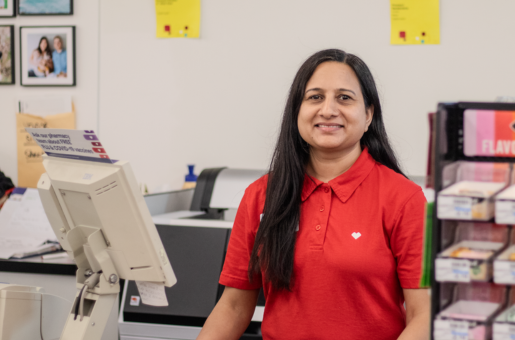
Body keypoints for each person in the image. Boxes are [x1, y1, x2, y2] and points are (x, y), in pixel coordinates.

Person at [197, 49, 429, 340]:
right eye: (315, 97)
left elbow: (424, 315)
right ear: (297, 110)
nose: (328, 110)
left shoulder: (404, 199)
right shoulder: (261, 195)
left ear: (368, 114)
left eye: (344, 97)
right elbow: (232, 307)